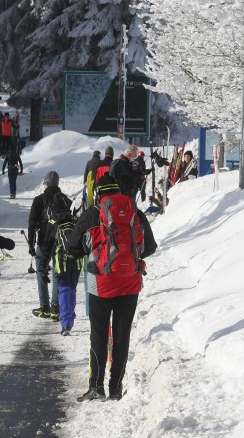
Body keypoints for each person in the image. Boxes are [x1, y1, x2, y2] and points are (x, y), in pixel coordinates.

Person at [65, 174, 158, 402]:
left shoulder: (92, 214)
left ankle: (96, 387)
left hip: (101, 283)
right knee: (121, 334)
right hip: (130, 283)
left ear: (98, 193)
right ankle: (116, 388)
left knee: (98, 332)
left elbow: (72, 248)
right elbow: (151, 247)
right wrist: (128, 258)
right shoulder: (134, 213)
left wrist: (95, 252)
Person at [27, 172, 63, 320]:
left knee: (41, 272)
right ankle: (55, 308)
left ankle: (45, 307)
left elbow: (31, 224)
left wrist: (31, 245)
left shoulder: (38, 200)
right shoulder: (64, 200)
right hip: (60, 241)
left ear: (46, 183)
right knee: (57, 272)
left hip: (43, 241)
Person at [49, 193, 82, 336]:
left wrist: (44, 264)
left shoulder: (54, 223)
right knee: (72, 290)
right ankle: (70, 319)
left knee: (63, 290)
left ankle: (66, 322)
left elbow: (48, 245)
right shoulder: (75, 220)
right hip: (76, 260)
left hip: (61, 263)